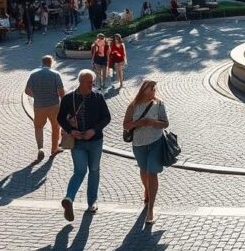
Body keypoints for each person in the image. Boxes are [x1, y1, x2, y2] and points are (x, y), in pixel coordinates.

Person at [58, 69, 112, 221]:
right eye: (89, 82)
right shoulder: (69, 98)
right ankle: (68, 199)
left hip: (95, 141)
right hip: (78, 142)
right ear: (80, 82)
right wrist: (71, 130)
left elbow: (106, 117)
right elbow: (60, 118)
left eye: (92, 82)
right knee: (80, 171)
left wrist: (94, 130)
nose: (91, 85)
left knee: (94, 170)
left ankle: (92, 202)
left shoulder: (98, 97)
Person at [123, 79, 170, 225]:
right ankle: (147, 191)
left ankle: (150, 209)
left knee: (152, 172)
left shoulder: (159, 104)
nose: (153, 92)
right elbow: (125, 125)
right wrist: (139, 123)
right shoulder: (133, 106)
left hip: (156, 142)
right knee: (144, 170)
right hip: (139, 144)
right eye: (151, 90)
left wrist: (153, 123)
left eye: (154, 90)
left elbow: (166, 123)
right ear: (143, 90)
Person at [26, 55, 65, 162]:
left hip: (39, 106)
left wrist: (36, 96)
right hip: (54, 105)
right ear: (51, 63)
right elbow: (61, 92)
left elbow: (27, 91)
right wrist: (65, 103)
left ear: (42, 62)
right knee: (55, 127)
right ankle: (54, 148)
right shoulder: (56, 74)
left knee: (38, 127)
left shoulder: (33, 75)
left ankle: (40, 148)